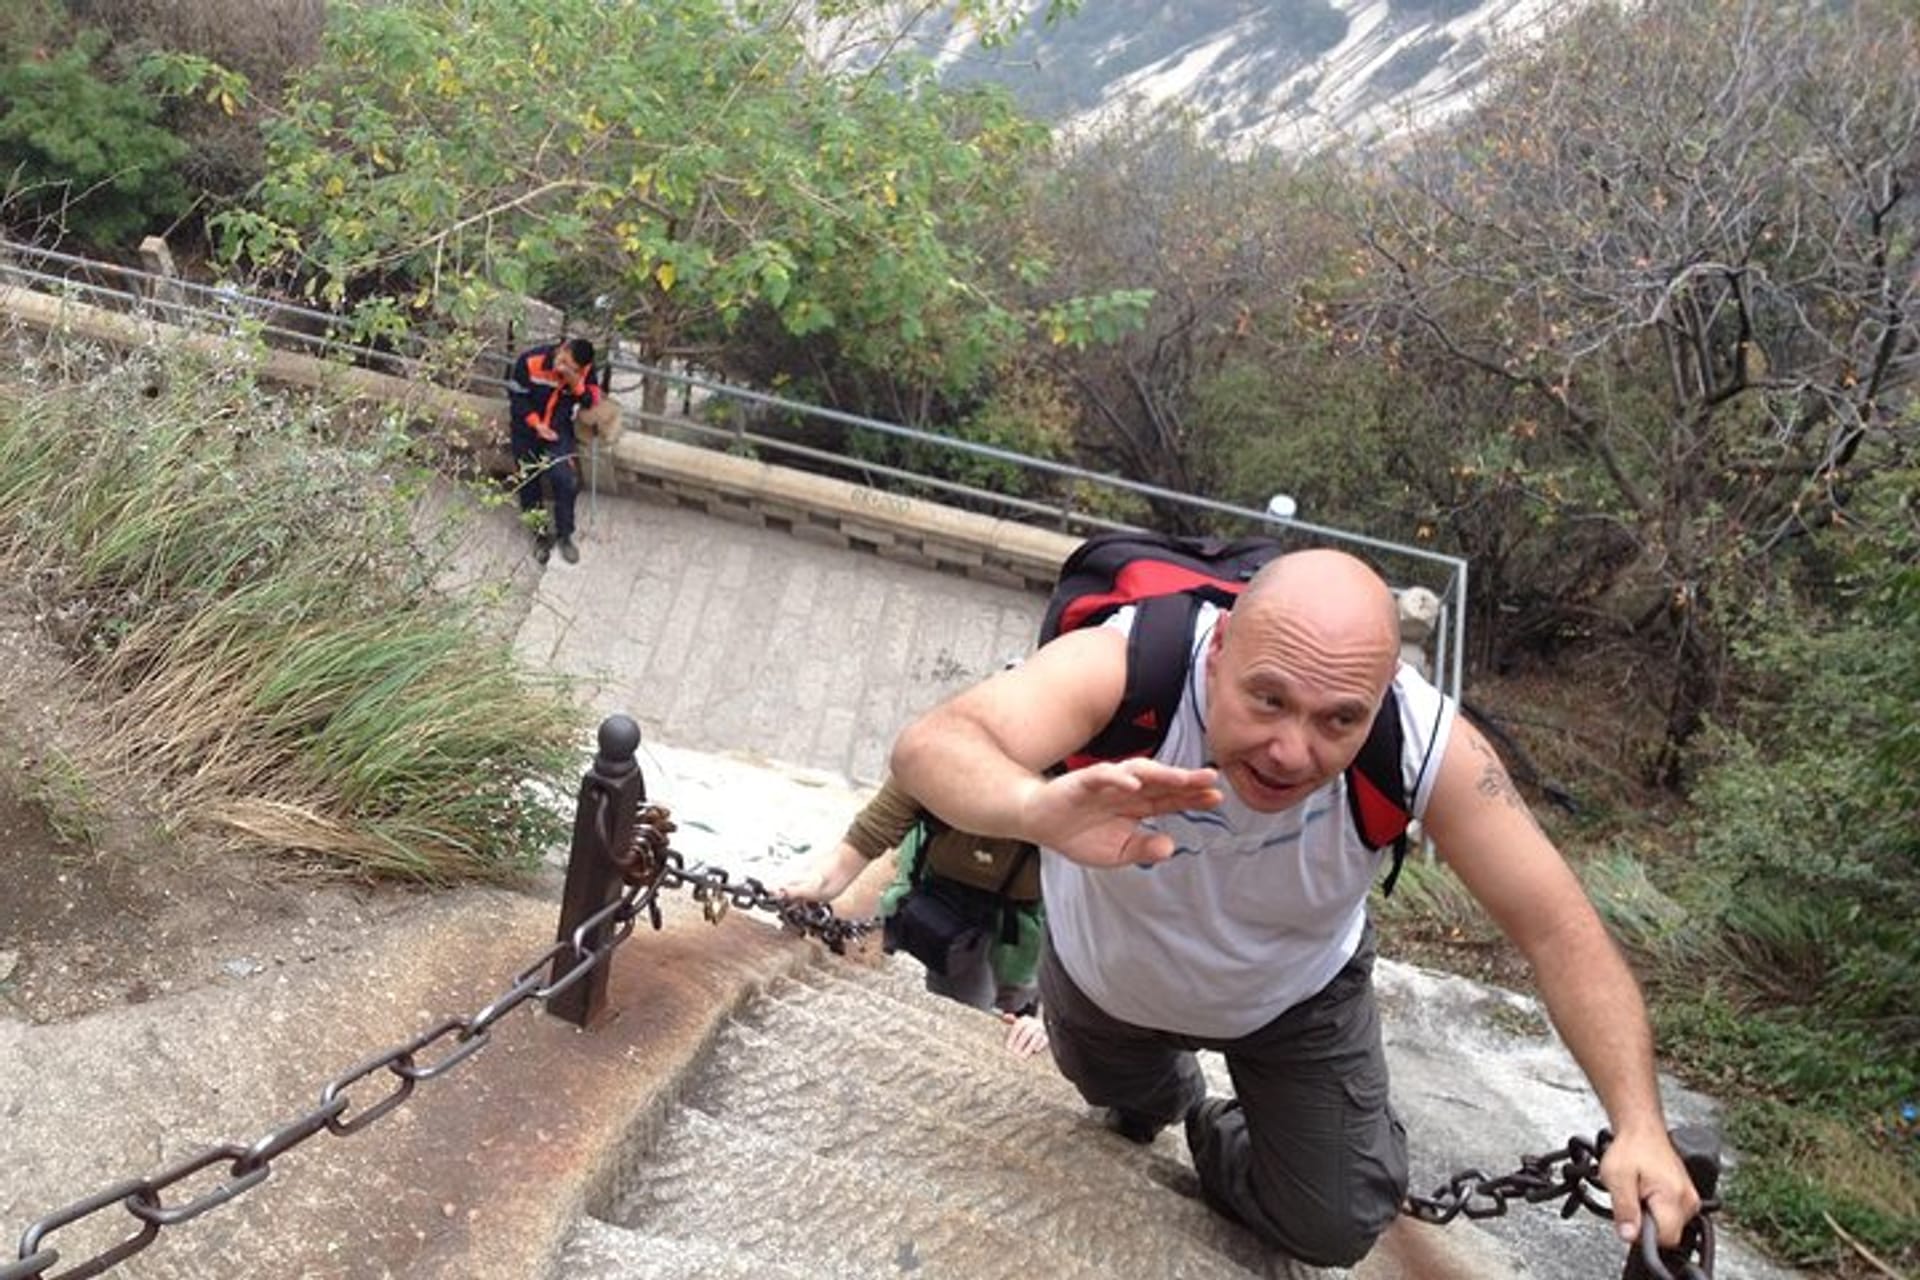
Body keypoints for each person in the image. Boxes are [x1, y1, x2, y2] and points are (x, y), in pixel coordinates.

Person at [888, 547, 1701, 1271]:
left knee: (1335, 1221)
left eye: (1339, 720)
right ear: (1217, 657)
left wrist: (1638, 1124)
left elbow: (1558, 927)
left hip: (1294, 997)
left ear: (1380, 698)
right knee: (1128, 1099)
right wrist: (1036, 808)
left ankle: (1214, 1126)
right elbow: (935, 746)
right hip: (1107, 985)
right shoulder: (1132, 662)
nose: (1291, 751)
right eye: (1267, 700)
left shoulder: (1422, 743)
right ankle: (1167, 1097)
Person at [780, 776, 1050, 1059]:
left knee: (1015, 1013)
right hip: (941, 905)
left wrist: (1050, 1019)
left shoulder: (1069, 782)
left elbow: (1091, 917)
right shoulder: (935, 758)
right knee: (955, 1013)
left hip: (1025, 926)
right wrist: (812, 885)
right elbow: (865, 838)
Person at [504, 336, 601, 564]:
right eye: (564, 360)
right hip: (526, 429)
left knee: (565, 479)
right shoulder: (531, 361)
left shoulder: (583, 370)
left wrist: (575, 381)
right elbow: (516, 398)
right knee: (528, 480)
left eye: (573, 366)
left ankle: (565, 534)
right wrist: (537, 424)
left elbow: (592, 400)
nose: (564, 367)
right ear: (562, 348)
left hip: (558, 430)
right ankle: (538, 535)